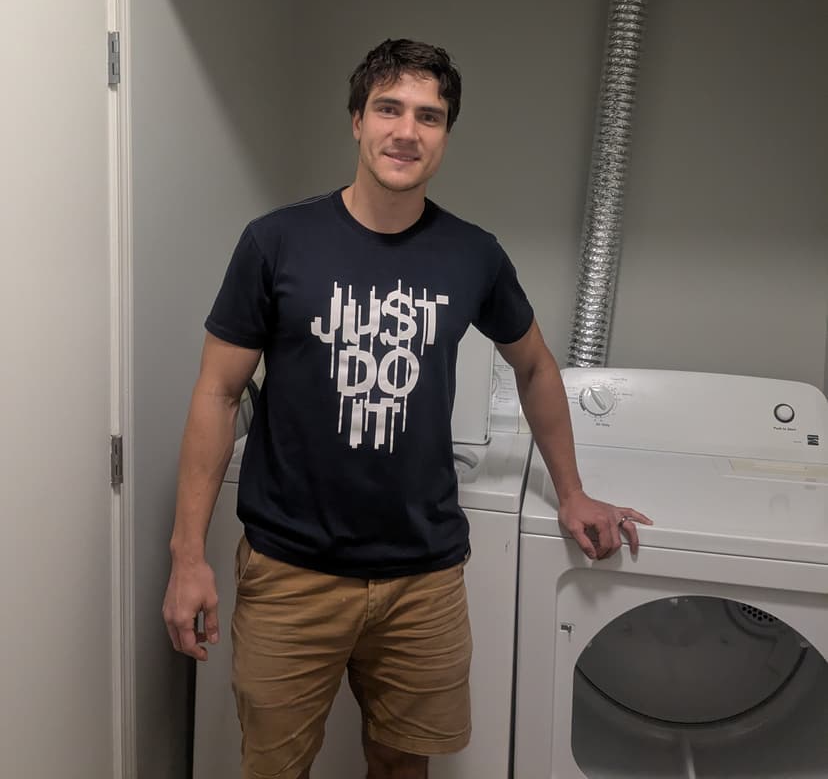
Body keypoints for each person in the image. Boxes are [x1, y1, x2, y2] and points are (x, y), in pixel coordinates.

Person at [162, 38, 651, 779]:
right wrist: (187, 555)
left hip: (423, 578)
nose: (407, 131)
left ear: (445, 135)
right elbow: (216, 392)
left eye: (430, 116)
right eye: (389, 108)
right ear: (356, 121)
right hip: (291, 571)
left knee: (402, 766)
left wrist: (572, 491)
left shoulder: (472, 255)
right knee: (272, 767)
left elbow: (537, 366)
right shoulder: (276, 243)